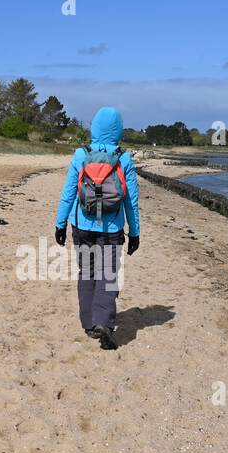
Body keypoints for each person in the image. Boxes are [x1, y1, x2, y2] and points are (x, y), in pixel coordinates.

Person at [54, 107, 141, 350]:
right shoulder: (124, 159)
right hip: (112, 228)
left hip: (81, 226)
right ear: (118, 130)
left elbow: (69, 192)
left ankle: (90, 322)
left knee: (87, 271)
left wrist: (60, 224)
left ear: (94, 127)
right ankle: (103, 322)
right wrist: (134, 232)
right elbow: (131, 201)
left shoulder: (81, 154)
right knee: (107, 274)